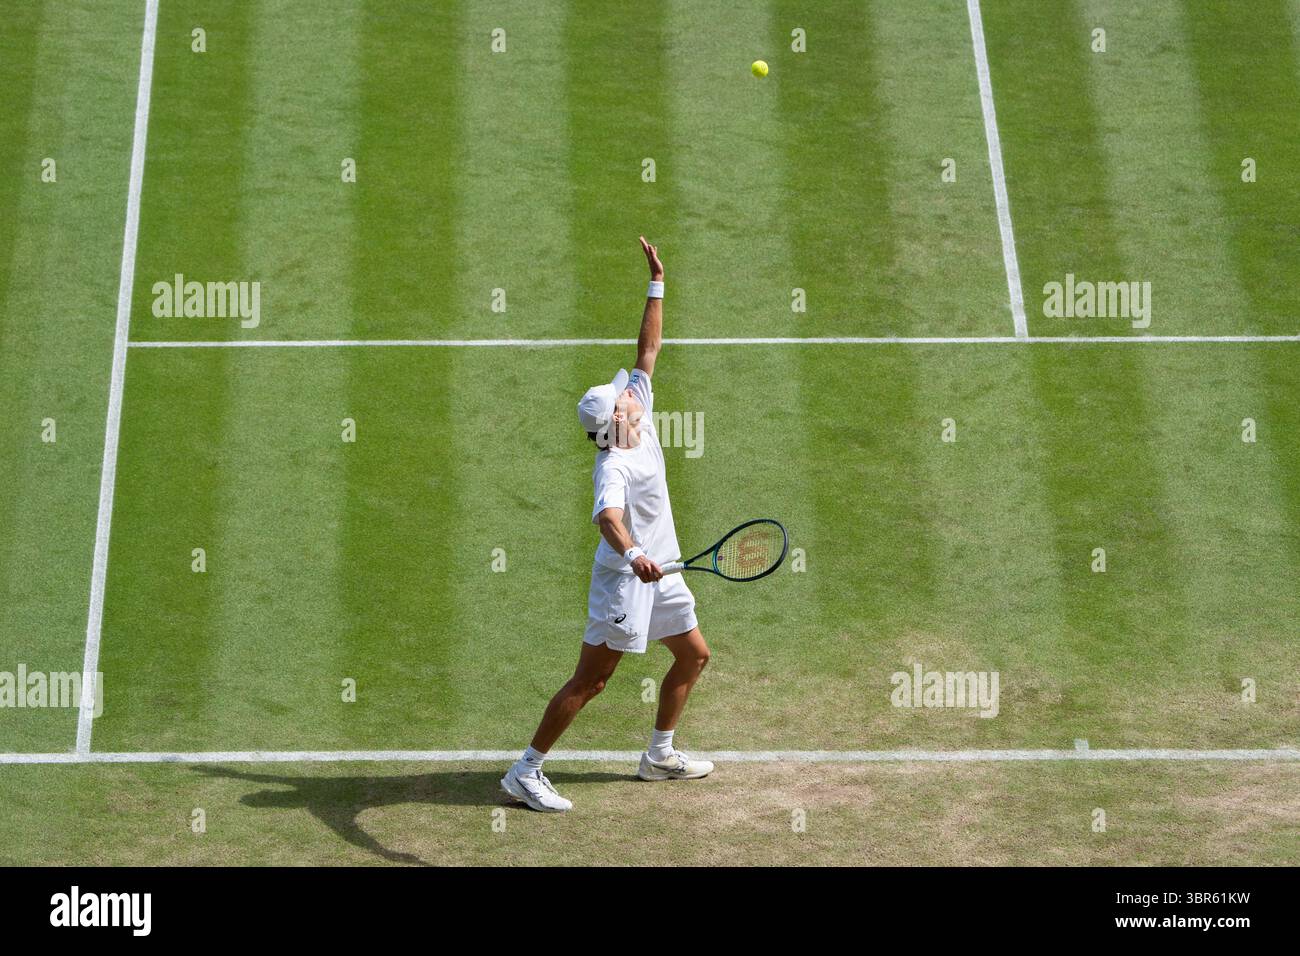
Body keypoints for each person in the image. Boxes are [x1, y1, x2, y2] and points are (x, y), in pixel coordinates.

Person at [500, 237, 714, 812]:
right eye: (623, 399)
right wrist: (635, 553)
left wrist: (657, 281)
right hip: (626, 578)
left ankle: (659, 755)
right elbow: (608, 519)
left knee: (694, 655)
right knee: (592, 681)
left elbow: (647, 350)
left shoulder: (635, 412)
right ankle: (526, 770)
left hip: (661, 570)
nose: (633, 391)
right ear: (614, 423)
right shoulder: (614, 464)